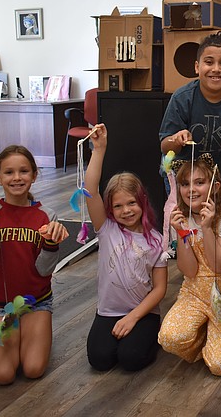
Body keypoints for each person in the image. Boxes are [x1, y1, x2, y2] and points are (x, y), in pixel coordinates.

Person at [0, 145, 69, 385]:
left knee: (33, 369)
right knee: (3, 376)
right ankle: (22, 334)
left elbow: (44, 270)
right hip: (0, 306)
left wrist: (51, 243)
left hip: (36, 302)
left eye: (24, 171)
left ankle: (32, 332)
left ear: (34, 175)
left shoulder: (47, 215)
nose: (17, 177)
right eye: (9, 172)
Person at [83, 124, 169, 372]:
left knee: (131, 359)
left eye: (131, 203)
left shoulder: (155, 240)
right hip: (109, 311)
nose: (126, 211)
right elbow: (90, 189)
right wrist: (99, 149)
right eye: (118, 206)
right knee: (100, 360)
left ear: (142, 201)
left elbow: (160, 288)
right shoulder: (107, 229)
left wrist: (133, 317)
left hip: (143, 313)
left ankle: (152, 336)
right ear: (110, 209)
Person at [157, 153, 221, 376]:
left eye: (199, 182)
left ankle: (216, 335)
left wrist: (206, 228)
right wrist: (180, 233)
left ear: (215, 186)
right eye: (185, 184)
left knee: (220, 366)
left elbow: (219, 266)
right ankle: (203, 336)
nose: (191, 189)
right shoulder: (179, 217)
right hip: (194, 294)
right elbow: (189, 270)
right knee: (169, 338)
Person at [159, 30, 221, 183]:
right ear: (197, 67)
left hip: (214, 177)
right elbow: (165, 146)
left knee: (214, 207)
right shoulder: (182, 97)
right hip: (181, 177)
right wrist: (176, 140)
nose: (216, 69)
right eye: (209, 62)